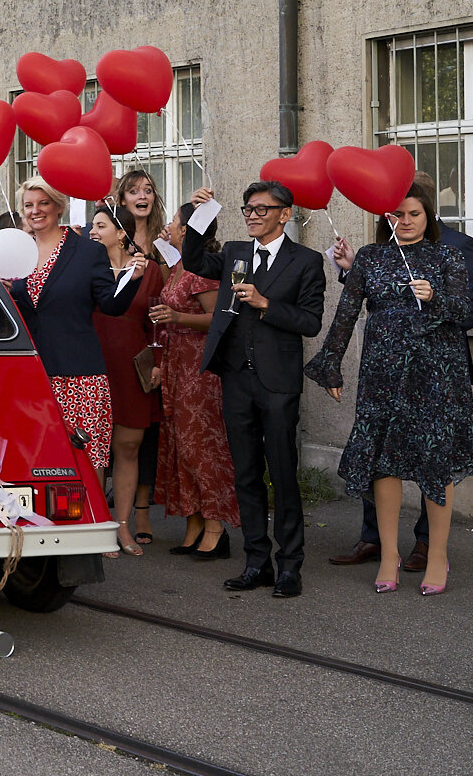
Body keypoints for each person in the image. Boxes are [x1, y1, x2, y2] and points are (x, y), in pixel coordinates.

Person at [306, 182, 473, 597]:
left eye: (413, 214)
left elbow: (465, 311)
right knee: (383, 461)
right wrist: (331, 367)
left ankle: (436, 555)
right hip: (382, 374)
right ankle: (387, 555)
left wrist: (435, 297)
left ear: (428, 216)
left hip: (436, 376)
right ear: (386, 218)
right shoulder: (370, 257)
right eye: (397, 215)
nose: (405, 222)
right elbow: (346, 312)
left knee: (436, 460)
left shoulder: (448, 256)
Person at [181, 180, 326, 599]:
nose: (252, 215)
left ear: (285, 214)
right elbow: (192, 260)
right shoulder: (235, 253)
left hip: (278, 383)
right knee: (245, 474)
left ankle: (289, 566)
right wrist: (200, 216)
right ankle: (256, 562)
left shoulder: (306, 261)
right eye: (248, 209)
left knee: (281, 473)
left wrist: (266, 304)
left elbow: (310, 322)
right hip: (237, 379)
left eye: (262, 209)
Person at [5, 177, 144, 485]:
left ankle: (92, 528)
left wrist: (132, 279)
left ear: (59, 206)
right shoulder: (15, 250)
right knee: (38, 459)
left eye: (43, 203)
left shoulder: (86, 251)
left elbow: (110, 305)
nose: (35, 211)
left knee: (86, 458)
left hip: (79, 375)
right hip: (31, 375)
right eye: (28, 205)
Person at [148, 203, 235, 557]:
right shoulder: (178, 264)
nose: (168, 224)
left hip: (198, 365)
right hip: (175, 360)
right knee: (180, 444)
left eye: (174, 221)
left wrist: (176, 316)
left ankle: (216, 527)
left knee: (202, 444)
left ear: (186, 230)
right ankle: (194, 523)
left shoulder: (203, 269)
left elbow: (217, 318)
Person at [88, 204, 165, 554]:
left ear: (121, 233)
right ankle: (96, 525)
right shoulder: (86, 268)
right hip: (93, 364)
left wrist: (158, 361)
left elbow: (157, 322)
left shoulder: (148, 271)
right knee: (96, 452)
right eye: (91, 225)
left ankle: (122, 527)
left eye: (100, 225)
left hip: (133, 367)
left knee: (129, 447)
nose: (92, 231)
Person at [111, 169, 166, 541]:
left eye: (148, 189)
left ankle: (138, 514)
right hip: (105, 354)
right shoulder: (101, 245)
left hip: (144, 352)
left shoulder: (163, 247)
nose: (142, 195)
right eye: (134, 190)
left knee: (143, 437)